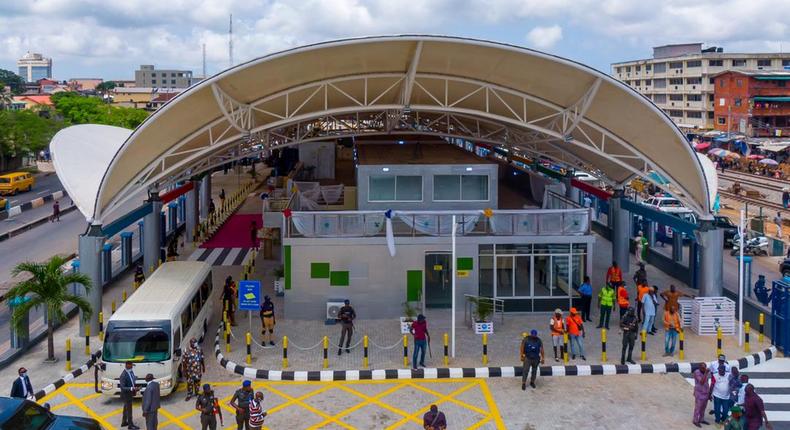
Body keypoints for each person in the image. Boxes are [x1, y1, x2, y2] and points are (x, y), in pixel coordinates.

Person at [120, 361, 140, 430]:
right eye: (131, 365)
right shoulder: (123, 375)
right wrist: (132, 388)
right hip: (126, 395)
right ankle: (130, 425)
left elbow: (132, 378)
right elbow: (122, 387)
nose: (132, 367)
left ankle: (124, 422)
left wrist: (134, 378)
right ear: (127, 365)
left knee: (126, 408)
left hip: (130, 394)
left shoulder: (131, 371)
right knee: (129, 410)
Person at [693, 362, 711, 427]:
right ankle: (695, 420)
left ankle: (701, 419)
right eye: (703, 368)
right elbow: (702, 382)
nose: (704, 369)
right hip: (699, 393)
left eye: (705, 367)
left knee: (703, 407)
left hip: (705, 392)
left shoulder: (706, 372)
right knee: (698, 408)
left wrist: (709, 393)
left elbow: (707, 382)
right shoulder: (696, 373)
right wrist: (706, 373)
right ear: (699, 367)